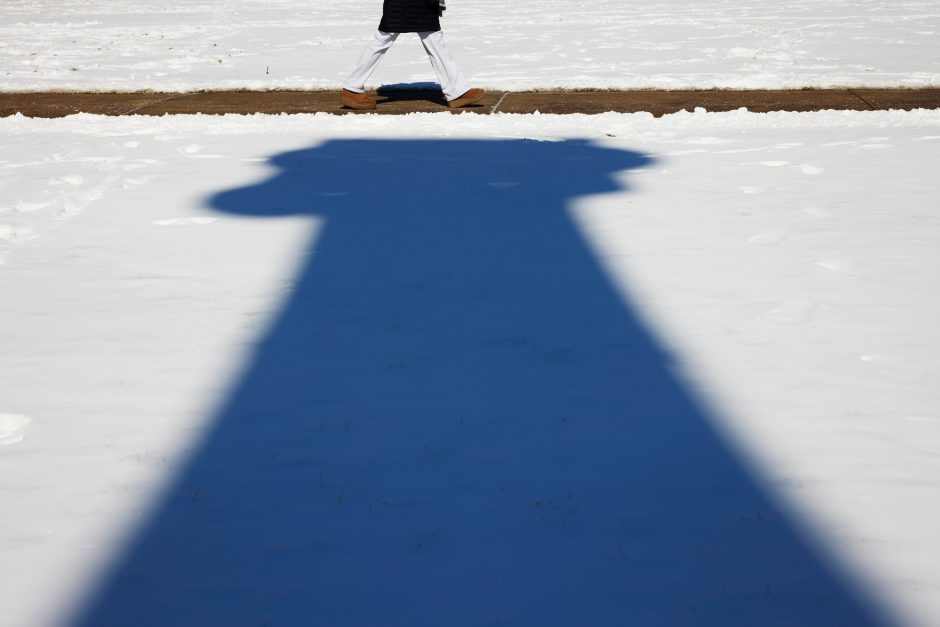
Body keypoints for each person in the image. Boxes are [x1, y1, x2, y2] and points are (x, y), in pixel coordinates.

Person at [340, 0, 484, 110]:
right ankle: (352, 87)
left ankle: (458, 91)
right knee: (383, 39)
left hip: (420, 4)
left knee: (434, 41)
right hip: (407, 3)